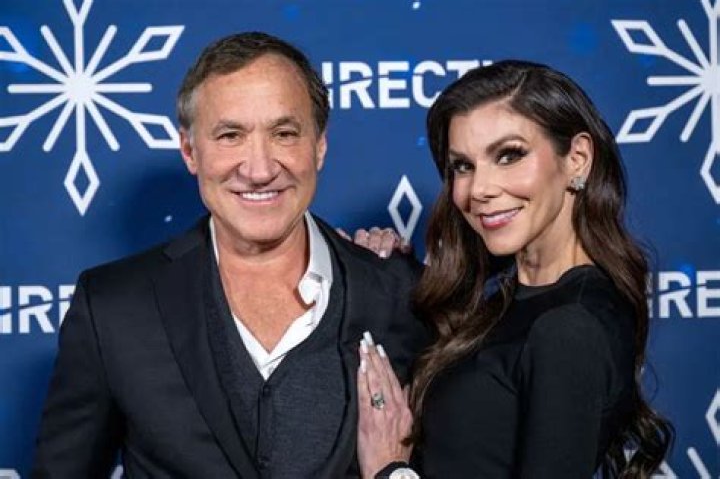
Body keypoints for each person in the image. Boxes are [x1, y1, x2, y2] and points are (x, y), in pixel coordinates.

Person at [32, 32, 427, 478]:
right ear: (189, 151)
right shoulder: (113, 307)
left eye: (284, 134)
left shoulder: (401, 294)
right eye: (230, 135)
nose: (259, 169)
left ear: (319, 145)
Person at [355, 60, 673, 478]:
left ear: (577, 159)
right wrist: (384, 270)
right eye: (463, 166)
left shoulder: (569, 327)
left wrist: (388, 469)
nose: (479, 189)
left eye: (509, 156)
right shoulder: (511, 301)